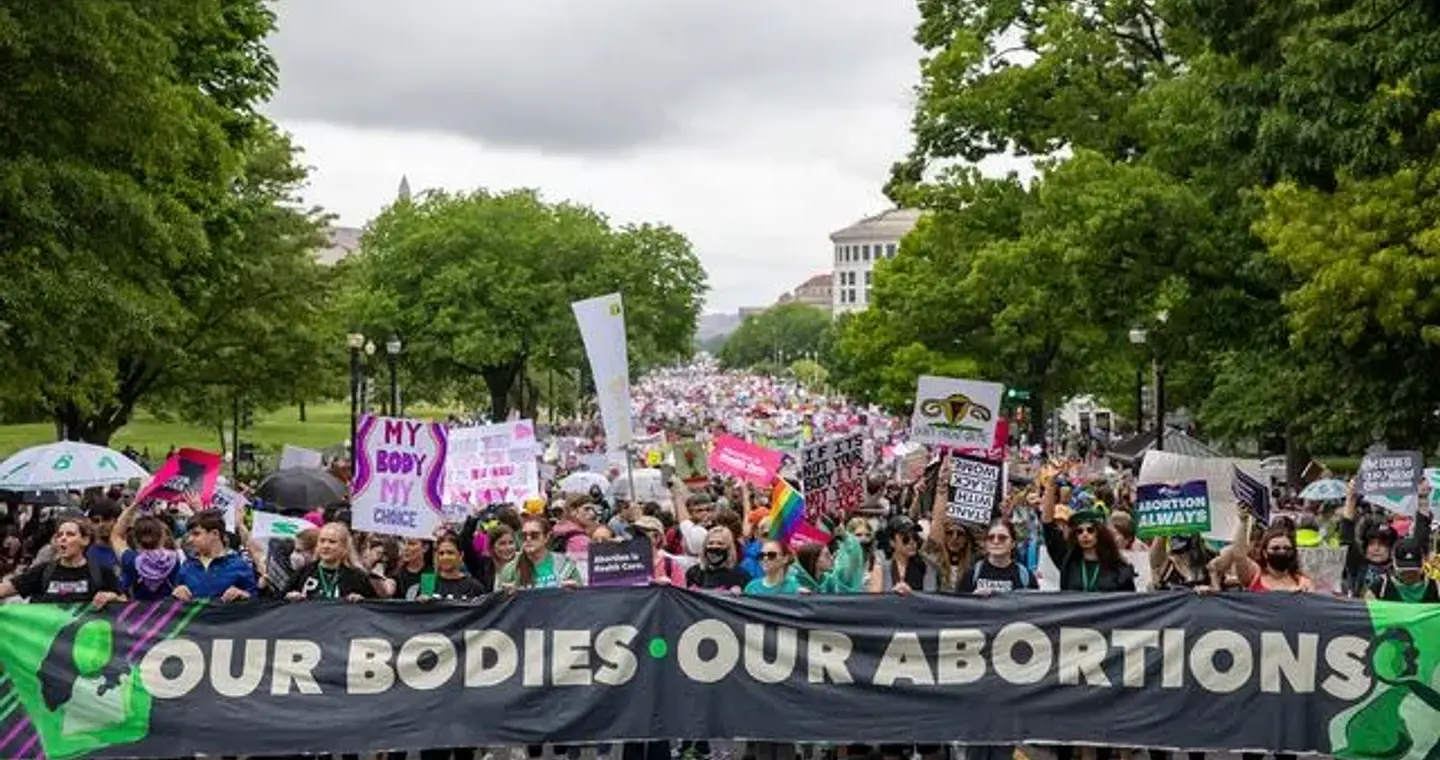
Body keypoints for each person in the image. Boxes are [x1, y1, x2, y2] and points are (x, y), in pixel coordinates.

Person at [0, 517, 121, 606]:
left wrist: (111, 597)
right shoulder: (43, 571)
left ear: (85, 540)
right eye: (59, 535)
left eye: (70, 534)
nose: (63, 538)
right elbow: (5, 589)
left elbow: (124, 603)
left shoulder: (102, 572)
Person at [173, 509, 258, 603]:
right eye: (189, 535)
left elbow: (256, 601)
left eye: (196, 534)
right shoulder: (187, 565)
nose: (190, 539)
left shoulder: (240, 565)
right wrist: (177, 592)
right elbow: (175, 598)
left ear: (215, 534)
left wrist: (243, 595)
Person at [285, 522, 375, 602]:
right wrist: (289, 597)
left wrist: (361, 600)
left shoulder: (357, 577)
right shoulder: (303, 573)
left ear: (344, 547)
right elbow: (280, 601)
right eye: (322, 541)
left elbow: (373, 605)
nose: (326, 546)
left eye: (332, 542)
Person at [497, 516, 583, 590]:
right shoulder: (510, 569)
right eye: (523, 536)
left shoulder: (565, 564)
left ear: (546, 537)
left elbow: (581, 597)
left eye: (534, 535)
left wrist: (574, 590)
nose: (528, 539)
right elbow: (498, 600)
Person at [958, 518, 1037, 594]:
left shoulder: (1025, 576)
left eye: (1002, 538)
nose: (996, 541)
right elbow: (960, 602)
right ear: (986, 543)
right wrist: (973, 598)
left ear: (1013, 543)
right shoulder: (972, 574)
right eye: (991, 538)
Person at [414, 531, 488, 602]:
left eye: (450, 553)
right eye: (441, 553)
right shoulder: (428, 583)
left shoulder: (474, 587)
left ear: (461, 555)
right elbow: (419, 610)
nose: (445, 557)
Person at [1367, 537, 1438, 603]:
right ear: (1393, 561)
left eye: (1414, 571)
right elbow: (1367, 608)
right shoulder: (1380, 587)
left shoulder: (1437, 588)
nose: (1409, 574)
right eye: (1403, 570)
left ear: (1423, 561)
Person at [686, 525, 750, 591]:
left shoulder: (741, 576)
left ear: (729, 548)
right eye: (710, 543)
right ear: (704, 547)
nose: (714, 547)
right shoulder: (694, 573)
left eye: (720, 543)